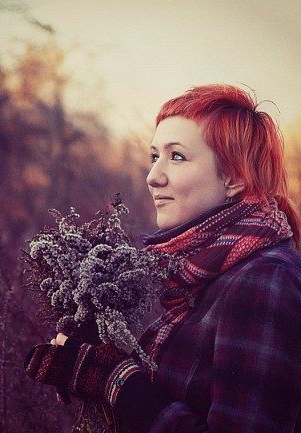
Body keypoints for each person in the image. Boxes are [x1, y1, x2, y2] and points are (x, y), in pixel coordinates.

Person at [24, 84, 301, 433]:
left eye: (177, 156)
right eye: (155, 157)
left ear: (235, 177)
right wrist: (95, 356)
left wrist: (115, 379)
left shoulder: (264, 280)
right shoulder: (205, 277)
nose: (153, 177)